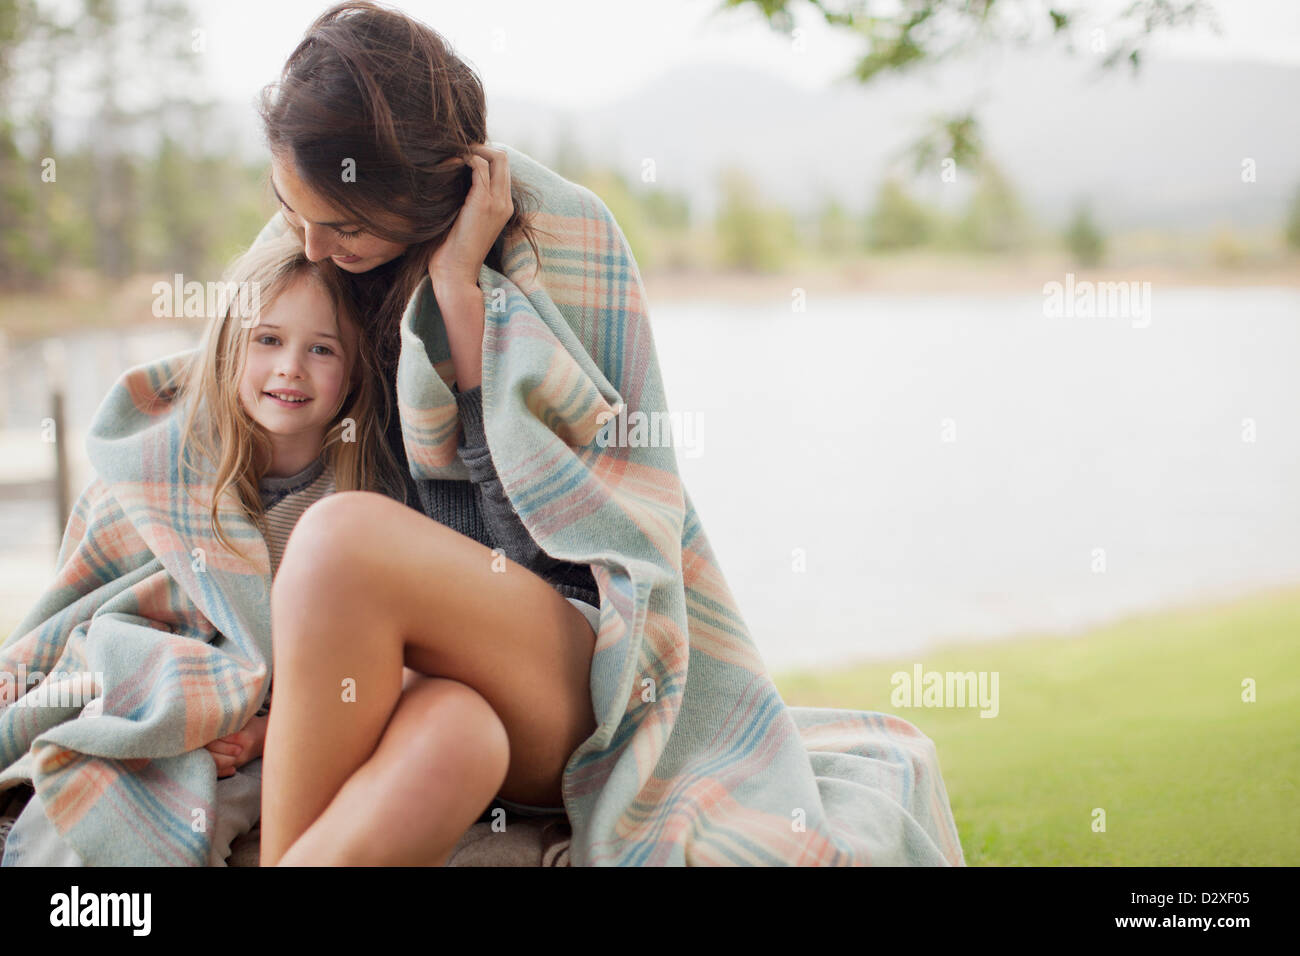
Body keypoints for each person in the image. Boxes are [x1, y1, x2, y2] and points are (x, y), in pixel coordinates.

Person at [252, 1, 606, 866]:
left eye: (344, 224)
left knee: (345, 539)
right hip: (442, 688)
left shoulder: (552, 248)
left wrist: (460, 300)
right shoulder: (320, 266)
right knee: (456, 737)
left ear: (417, 192)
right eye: (293, 211)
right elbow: (237, 468)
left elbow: (560, 553)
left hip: (570, 673)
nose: (312, 245)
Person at [0, 230, 403, 865]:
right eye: (267, 339)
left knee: (201, 813)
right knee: (75, 802)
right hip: (143, 698)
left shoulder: (359, 502)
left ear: (353, 374)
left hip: (267, 740)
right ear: (229, 346)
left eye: (321, 349)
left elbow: (382, 665)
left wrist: (266, 732)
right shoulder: (165, 472)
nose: (290, 366)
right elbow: (79, 606)